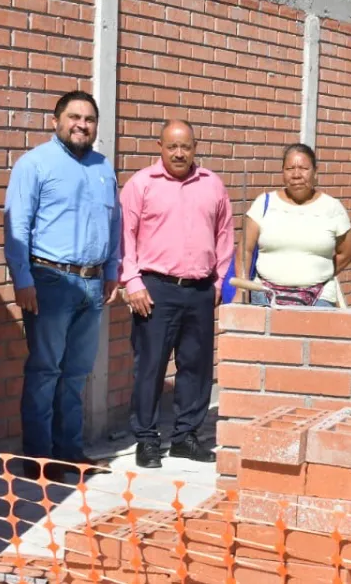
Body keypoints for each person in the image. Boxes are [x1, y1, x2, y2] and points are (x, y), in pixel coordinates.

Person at [4, 91, 120, 481]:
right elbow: (17, 225)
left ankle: (69, 454)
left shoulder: (104, 168)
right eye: (74, 117)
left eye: (89, 119)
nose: (81, 125)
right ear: (56, 121)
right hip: (49, 281)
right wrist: (23, 279)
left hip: (92, 285)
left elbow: (114, 225)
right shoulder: (35, 164)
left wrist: (112, 271)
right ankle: (38, 460)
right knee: (44, 372)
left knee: (75, 375)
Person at [119, 119, 233, 468]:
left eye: (186, 146)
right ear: (161, 147)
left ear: (195, 147)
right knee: (150, 367)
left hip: (199, 290)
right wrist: (132, 282)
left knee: (196, 369)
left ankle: (185, 437)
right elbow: (124, 237)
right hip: (155, 290)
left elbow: (225, 236)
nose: (180, 153)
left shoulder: (212, 185)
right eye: (173, 146)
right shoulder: (141, 185)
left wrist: (217, 285)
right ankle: (147, 439)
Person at [235, 144, 351, 308]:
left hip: (318, 298)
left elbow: (347, 253)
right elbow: (245, 250)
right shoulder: (264, 203)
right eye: (289, 168)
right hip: (265, 296)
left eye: (304, 168)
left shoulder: (332, 208)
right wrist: (241, 290)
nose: (296, 175)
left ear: (315, 171)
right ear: (282, 173)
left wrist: (319, 272)